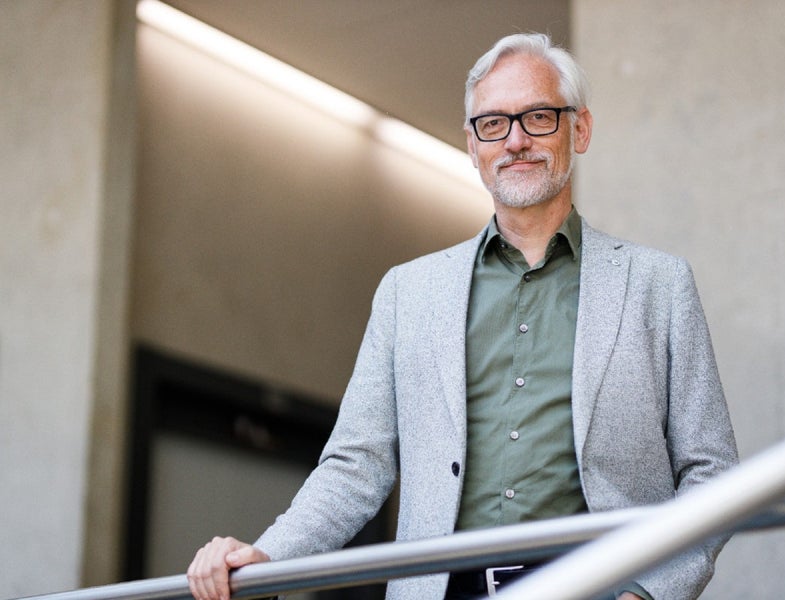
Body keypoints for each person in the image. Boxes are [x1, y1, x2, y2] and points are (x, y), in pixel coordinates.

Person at [187, 33, 738, 600]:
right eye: (493, 123)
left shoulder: (658, 285)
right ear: (473, 145)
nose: (516, 140)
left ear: (580, 129)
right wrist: (268, 557)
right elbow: (357, 465)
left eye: (538, 117)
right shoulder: (408, 293)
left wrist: (648, 593)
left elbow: (710, 473)